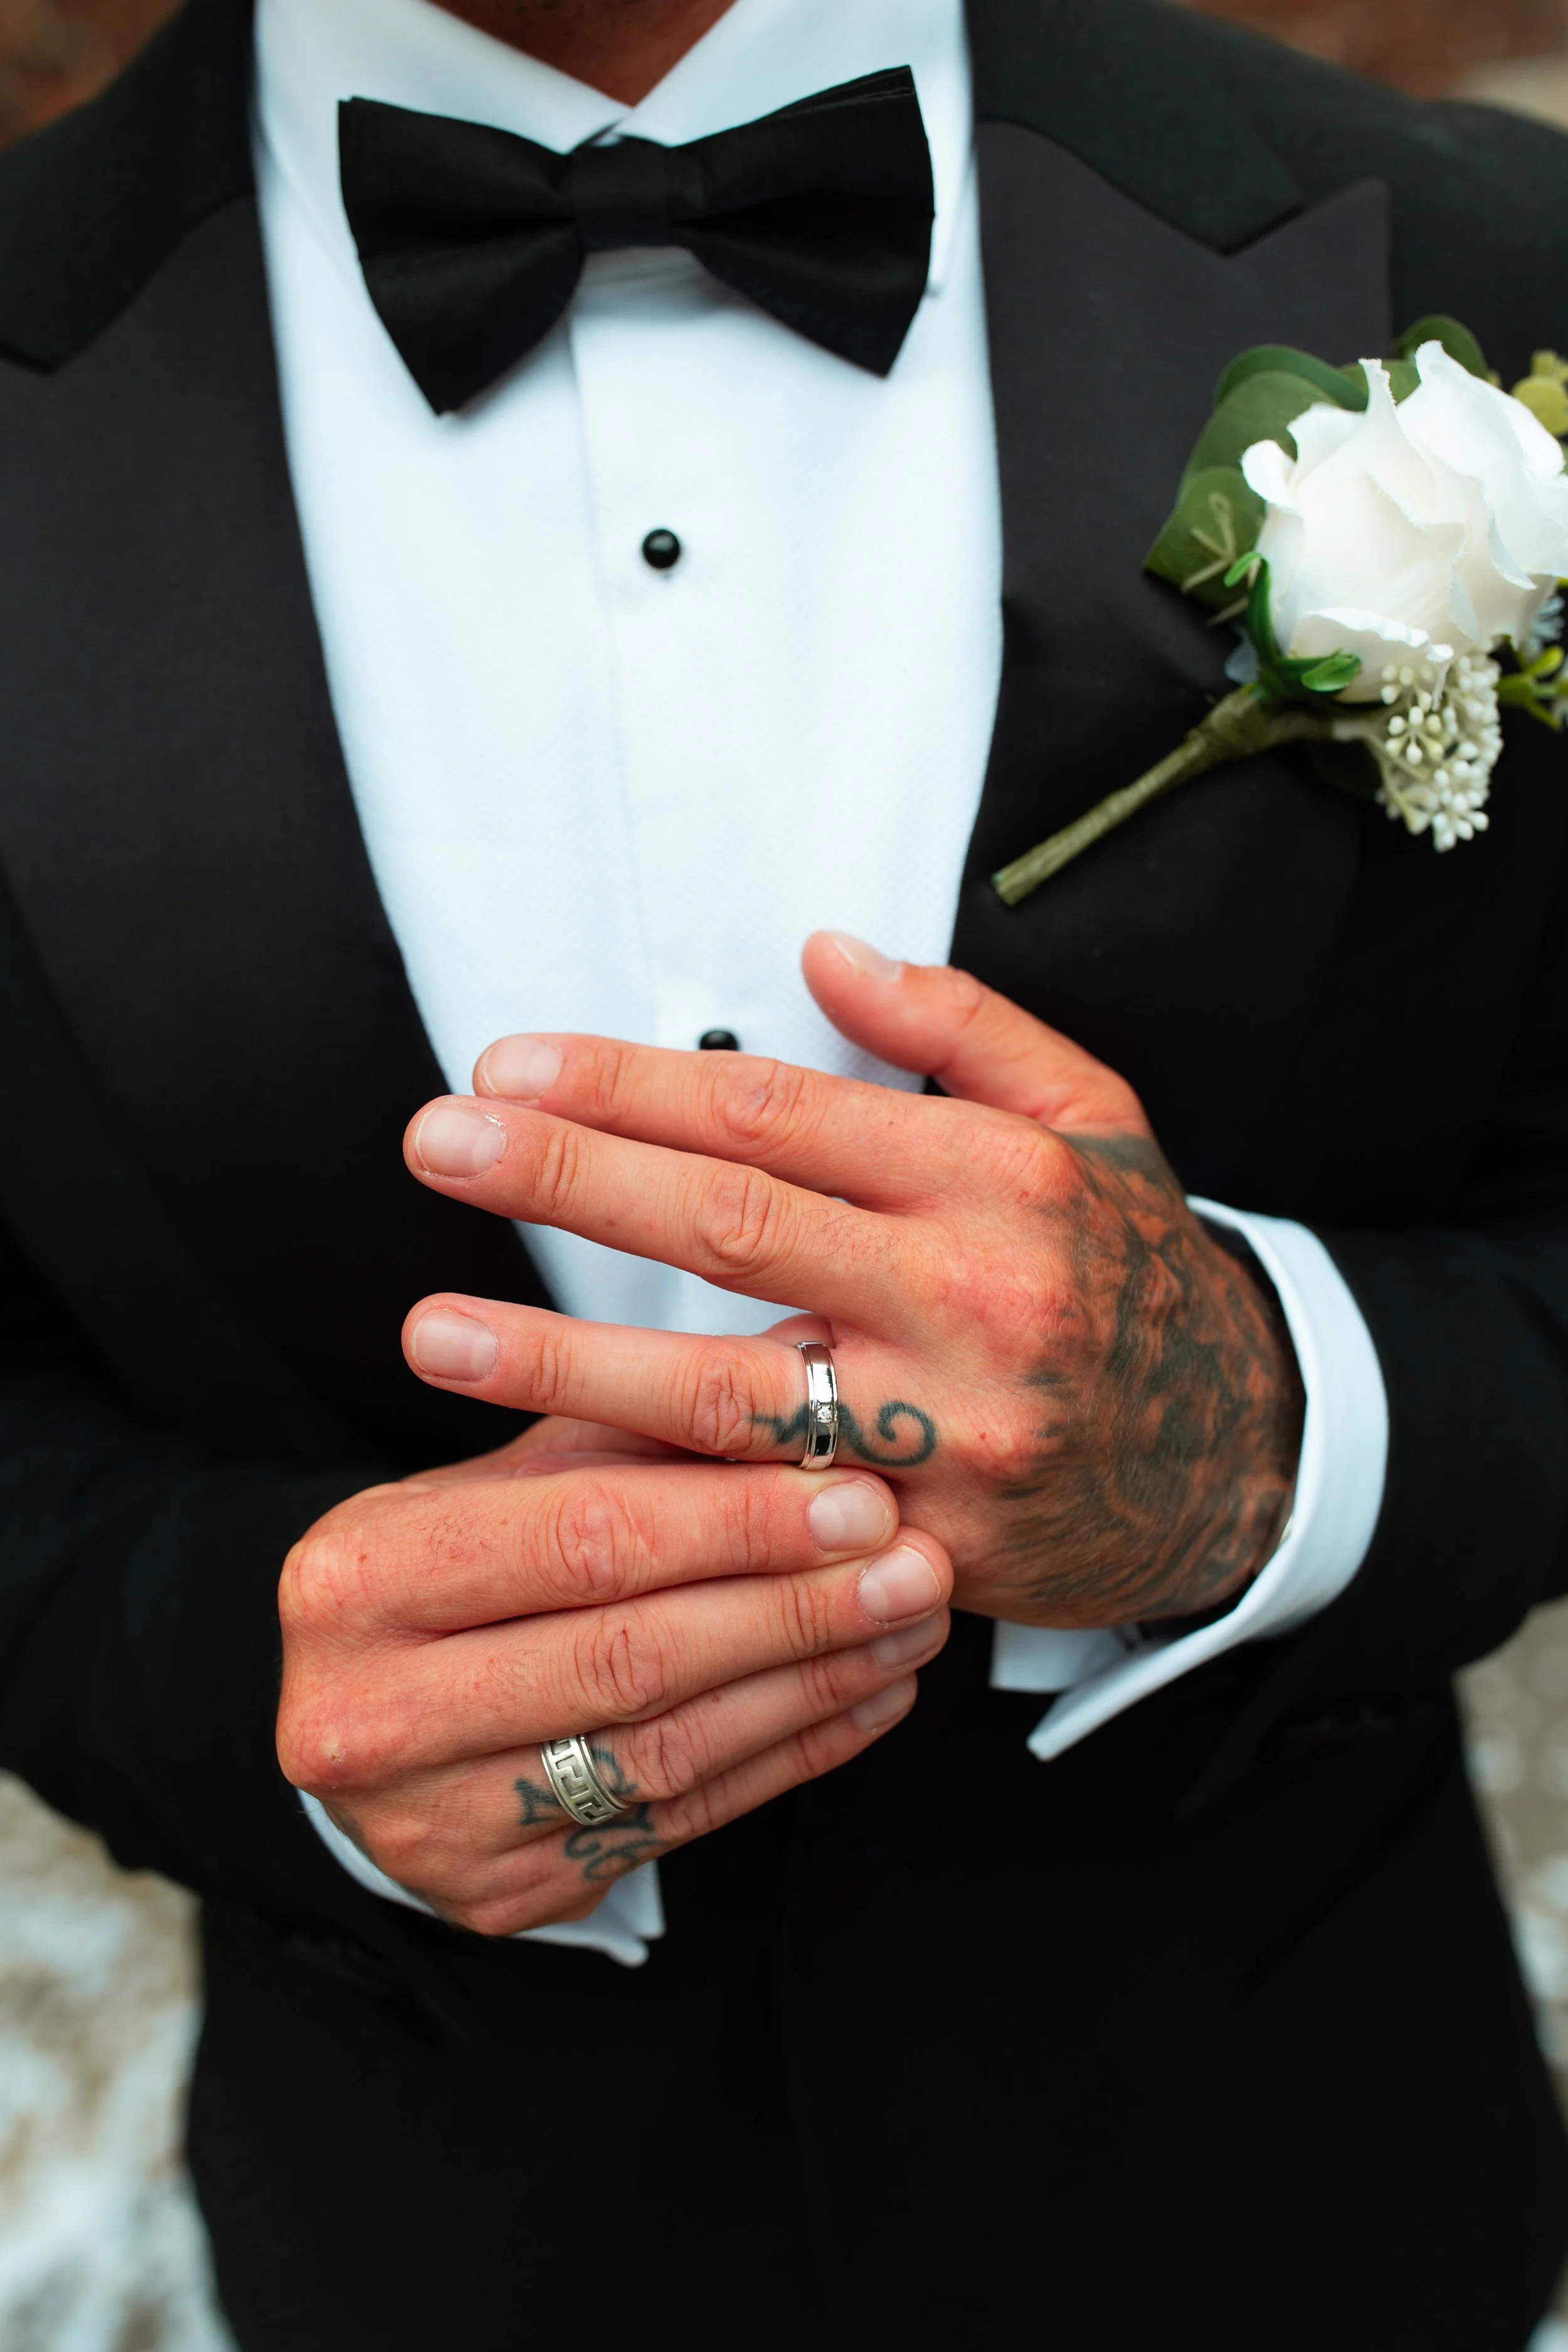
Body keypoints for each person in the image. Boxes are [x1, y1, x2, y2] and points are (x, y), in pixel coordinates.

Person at [1, 0, 1566, 2341]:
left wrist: (1272, 1418)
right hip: (437, 2240)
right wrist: (239, 1678)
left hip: (1304, 2193)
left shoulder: (1483, 274)